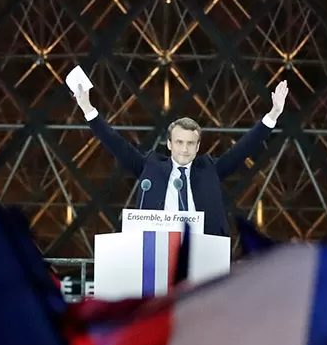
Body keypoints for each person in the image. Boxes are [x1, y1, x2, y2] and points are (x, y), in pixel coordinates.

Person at [70, 77, 287, 237]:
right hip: (155, 247)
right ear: (170, 144)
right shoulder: (151, 165)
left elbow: (244, 148)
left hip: (204, 247)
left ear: (198, 146)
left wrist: (273, 114)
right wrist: (88, 109)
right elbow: (116, 144)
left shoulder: (210, 168)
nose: (185, 149)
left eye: (190, 143)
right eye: (180, 143)